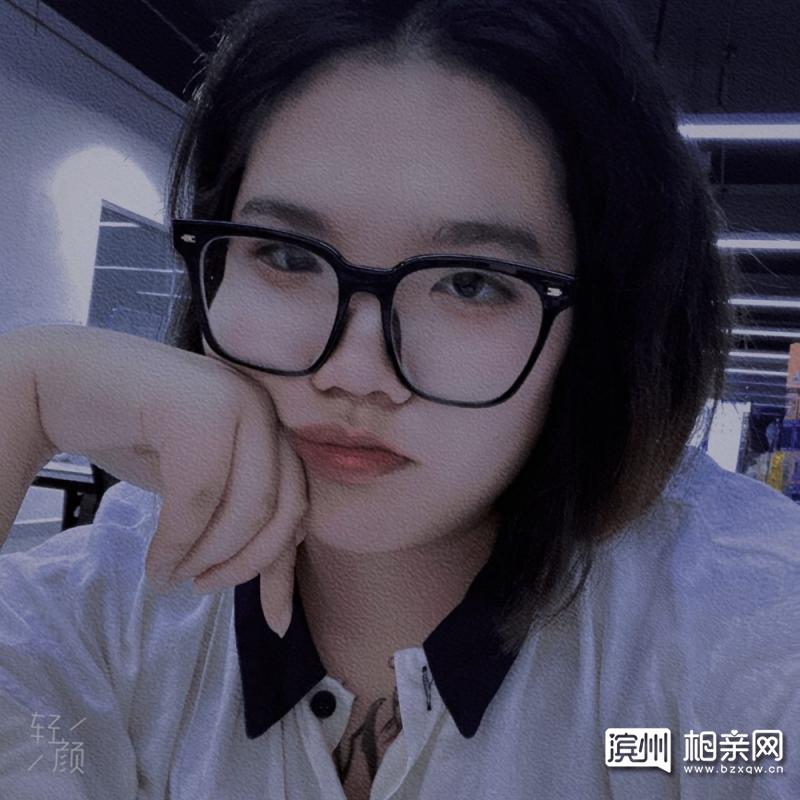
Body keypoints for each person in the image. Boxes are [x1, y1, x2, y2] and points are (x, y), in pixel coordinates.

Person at [0, 0, 798, 798]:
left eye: (470, 282)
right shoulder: (125, 598)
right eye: (286, 255)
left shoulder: (724, 636)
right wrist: (22, 395)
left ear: (599, 330)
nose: (355, 371)